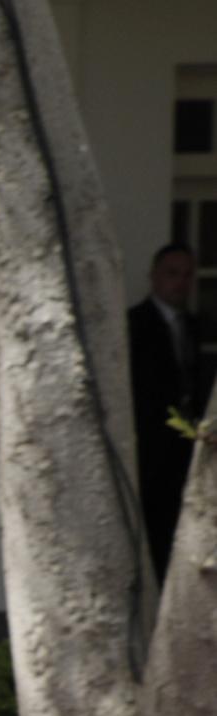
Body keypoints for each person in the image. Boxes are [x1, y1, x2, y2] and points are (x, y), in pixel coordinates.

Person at [128, 241, 208, 579]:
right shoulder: (133, 325)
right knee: (155, 538)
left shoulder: (199, 327)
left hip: (193, 456)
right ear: (154, 276)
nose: (181, 282)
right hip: (152, 455)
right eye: (172, 273)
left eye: (188, 275)